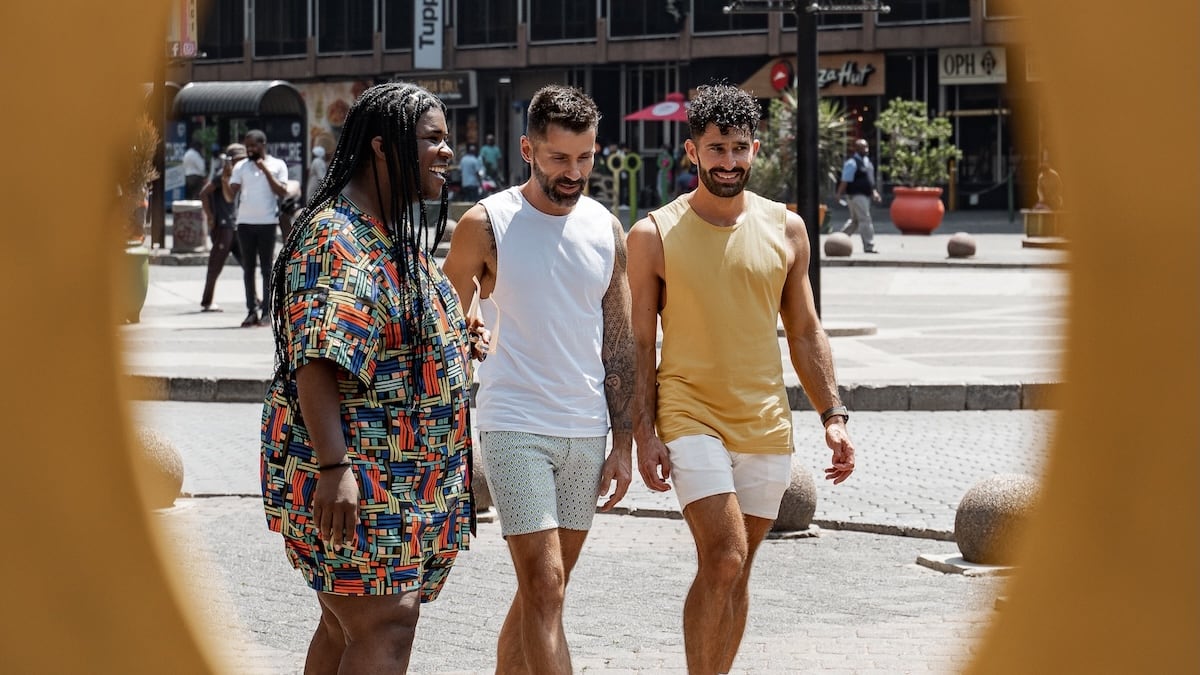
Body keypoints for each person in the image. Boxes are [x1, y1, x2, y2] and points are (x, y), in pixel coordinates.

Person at [627, 83, 857, 675]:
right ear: (691, 152)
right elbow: (638, 344)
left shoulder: (788, 229)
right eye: (715, 149)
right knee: (725, 556)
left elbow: (805, 332)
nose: (727, 161)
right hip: (689, 414)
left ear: (754, 150)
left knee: (738, 566)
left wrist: (832, 415)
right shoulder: (652, 235)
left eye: (738, 148)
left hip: (764, 420)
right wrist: (642, 431)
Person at [259, 82, 488, 673]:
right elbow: (317, 359)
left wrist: (457, 331)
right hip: (359, 475)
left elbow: (387, 329)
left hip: (400, 477)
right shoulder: (340, 237)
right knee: (385, 621)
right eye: (432, 139)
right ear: (383, 148)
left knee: (347, 626)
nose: (448, 151)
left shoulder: (387, 233)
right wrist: (335, 469)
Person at [442, 84, 634, 675]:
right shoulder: (486, 223)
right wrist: (465, 327)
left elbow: (620, 344)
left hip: (585, 431)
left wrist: (624, 442)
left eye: (584, 157)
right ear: (528, 149)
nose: (573, 172)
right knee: (546, 586)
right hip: (514, 426)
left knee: (542, 593)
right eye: (558, 158)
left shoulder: (607, 229)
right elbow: (444, 322)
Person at [229, 129, 289, 327]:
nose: (250, 150)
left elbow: (282, 192)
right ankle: (250, 311)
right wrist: (227, 180)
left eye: (253, 146)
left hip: (267, 223)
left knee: (266, 269)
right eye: (247, 147)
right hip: (245, 223)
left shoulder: (277, 165)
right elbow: (231, 193)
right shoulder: (241, 166)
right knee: (248, 269)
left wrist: (265, 171)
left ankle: (266, 312)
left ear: (263, 145)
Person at [198, 142, 246, 312]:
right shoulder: (222, 175)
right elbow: (204, 193)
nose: (241, 162)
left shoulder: (239, 175)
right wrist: (210, 216)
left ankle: (254, 299)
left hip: (235, 225)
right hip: (223, 226)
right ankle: (207, 301)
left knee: (248, 264)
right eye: (238, 159)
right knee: (215, 264)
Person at [834, 138, 883, 254]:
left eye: (866, 147)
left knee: (855, 221)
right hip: (856, 195)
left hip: (865, 195)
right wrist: (839, 194)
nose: (866, 149)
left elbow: (870, 181)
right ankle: (869, 245)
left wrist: (874, 192)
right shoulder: (852, 163)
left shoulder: (867, 162)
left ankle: (838, 240)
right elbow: (845, 180)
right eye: (862, 147)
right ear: (856, 149)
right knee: (865, 219)